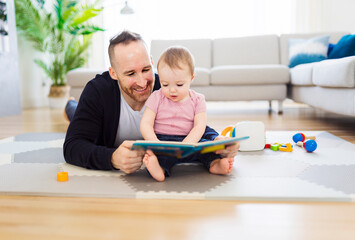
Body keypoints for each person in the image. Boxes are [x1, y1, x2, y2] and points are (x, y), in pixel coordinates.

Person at [63, 30, 239, 174]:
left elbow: (190, 122)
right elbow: (73, 146)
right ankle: (71, 106)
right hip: (93, 115)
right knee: (76, 113)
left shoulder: (164, 87)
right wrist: (112, 158)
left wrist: (218, 141)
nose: (142, 82)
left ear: (152, 63)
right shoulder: (97, 92)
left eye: (146, 69)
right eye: (131, 73)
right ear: (113, 73)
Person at [140, 46, 235, 182]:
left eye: (179, 85)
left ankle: (215, 165)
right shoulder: (156, 97)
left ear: (191, 78)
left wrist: (187, 144)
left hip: (191, 140)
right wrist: (154, 141)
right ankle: (159, 170)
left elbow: (200, 126)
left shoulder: (198, 99)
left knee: (207, 147)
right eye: (165, 84)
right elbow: (146, 123)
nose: (172, 90)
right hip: (164, 142)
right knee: (155, 155)